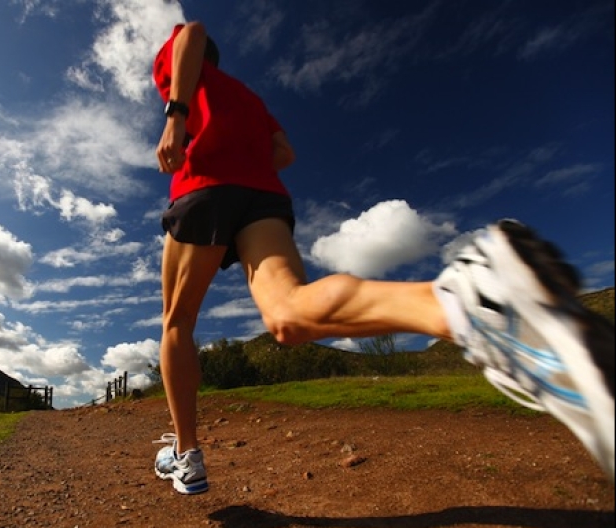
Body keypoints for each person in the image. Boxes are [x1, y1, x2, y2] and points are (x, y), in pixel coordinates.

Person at [151, 21, 614, 495]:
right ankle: (467, 302)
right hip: (264, 197)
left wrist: (177, 114)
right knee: (288, 313)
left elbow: (191, 32)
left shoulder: (181, 63)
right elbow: (282, 152)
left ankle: (186, 455)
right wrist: (244, 156)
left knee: (177, 322)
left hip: (204, 181)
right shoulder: (249, 97)